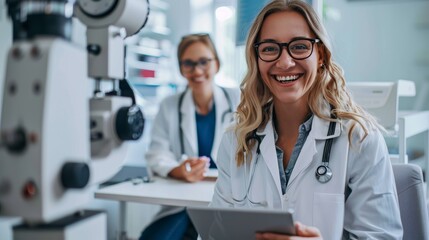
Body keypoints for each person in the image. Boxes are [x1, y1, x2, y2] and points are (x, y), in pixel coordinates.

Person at [210, 0, 403, 239]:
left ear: (320, 54)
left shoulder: (360, 138)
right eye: (269, 48)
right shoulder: (236, 140)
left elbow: (382, 236)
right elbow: (215, 233)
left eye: (299, 46)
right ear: (256, 58)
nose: (285, 62)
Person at [139, 33, 240, 240]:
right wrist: (178, 170)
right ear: (181, 68)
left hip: (230, 199)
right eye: (189, 64)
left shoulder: (239, 99)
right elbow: (157, 153)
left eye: (204, 62)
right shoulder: (169, 106)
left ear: (217, 64)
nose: (197, 71)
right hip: (183, 201)